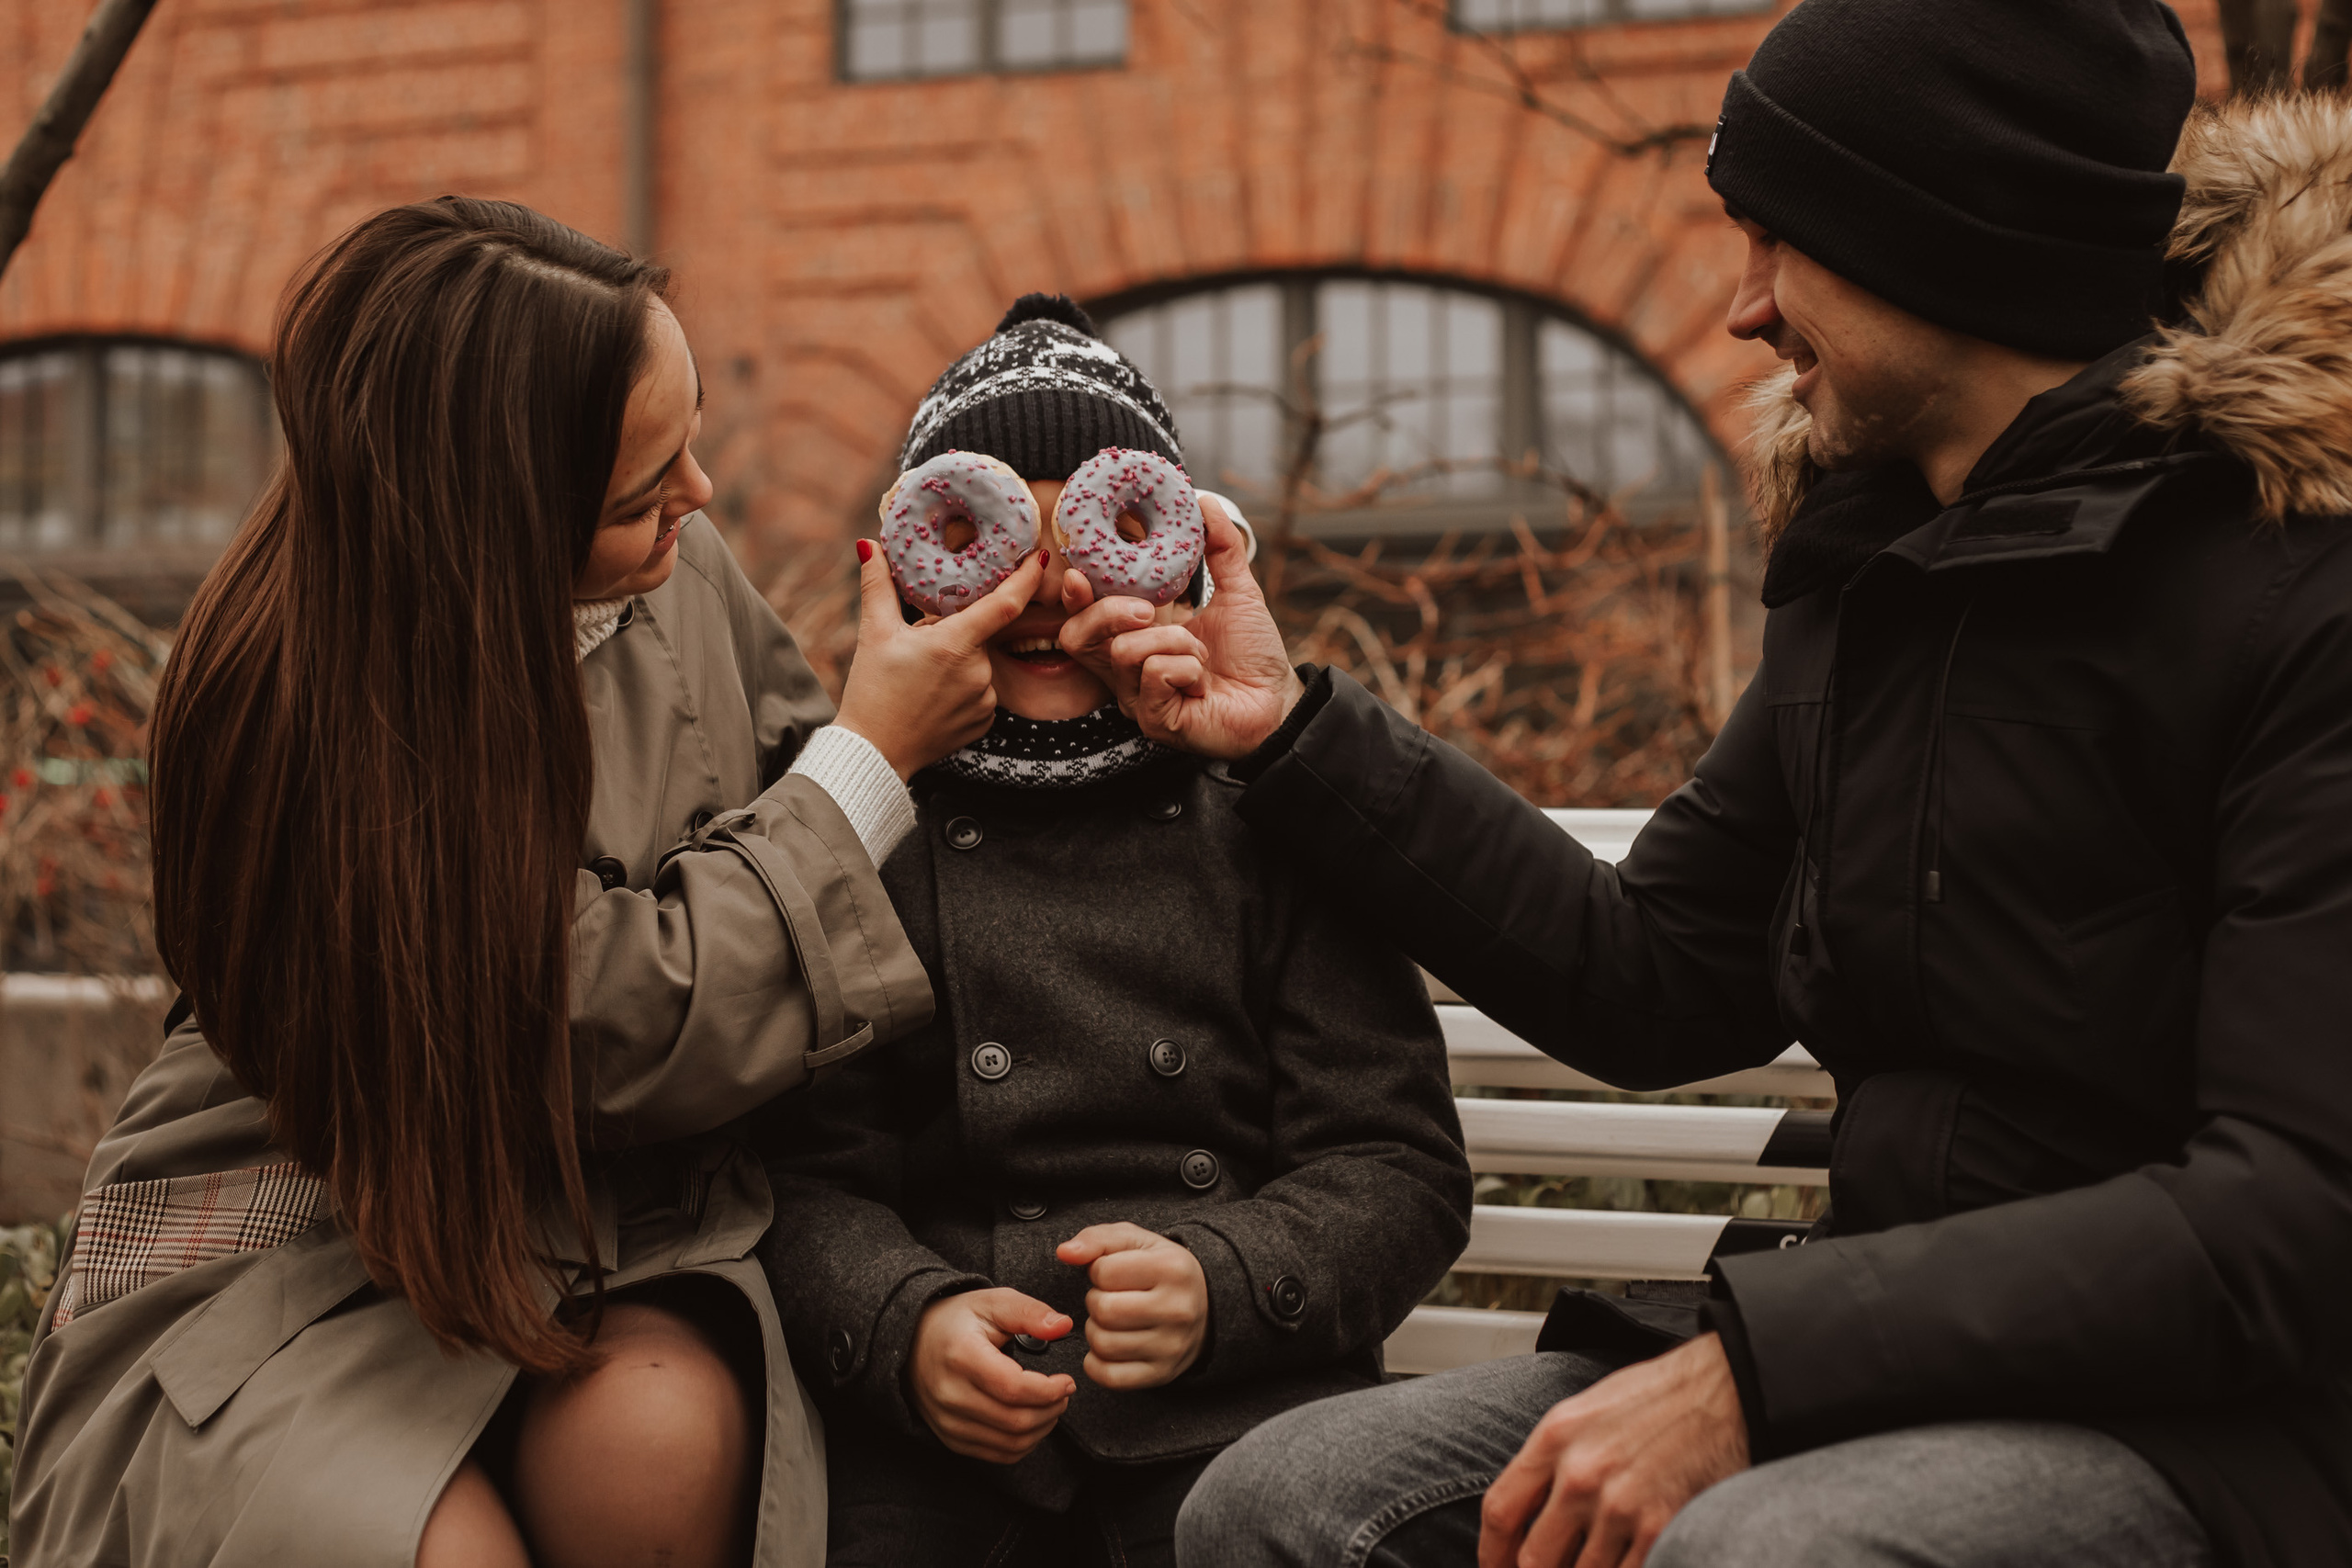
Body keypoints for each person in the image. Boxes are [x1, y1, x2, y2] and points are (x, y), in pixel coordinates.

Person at [1064, 6, 2352, 1566]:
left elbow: (2294, 1215)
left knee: (1762, 1553)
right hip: (1864, 1355)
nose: (1742, 310)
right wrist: (1289, 730)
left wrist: (1761, 1370)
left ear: (1940, 243)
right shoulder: (1871, 566)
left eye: (1778, 242)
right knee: (1284, 1508)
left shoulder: (2299, 596)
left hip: (2209, 1425)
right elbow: (1657, 975)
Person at [9, 197, 1041, 1568]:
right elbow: (595, 1028)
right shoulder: (293, 708)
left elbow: (822, 791)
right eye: (639, 489)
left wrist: (1029, 679)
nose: (701, 499)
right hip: (318, 1216)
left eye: (686, 446)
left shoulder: (681, 569)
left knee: (657, 1456)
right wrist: (871, 759)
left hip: (616, 1216)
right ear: (485, 527)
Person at [755, 296, 1473, 1568]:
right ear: (920, 560)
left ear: (1176, 555)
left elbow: (1396, 1165)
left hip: (1241, 1413)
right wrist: (908, 1324)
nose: (1045, 593)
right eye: (988, 539)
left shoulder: (1270, 814)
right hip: (949, 1441)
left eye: (1095, 531)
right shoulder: (865, 827)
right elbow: (807, 1180)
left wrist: (1227, 1279)